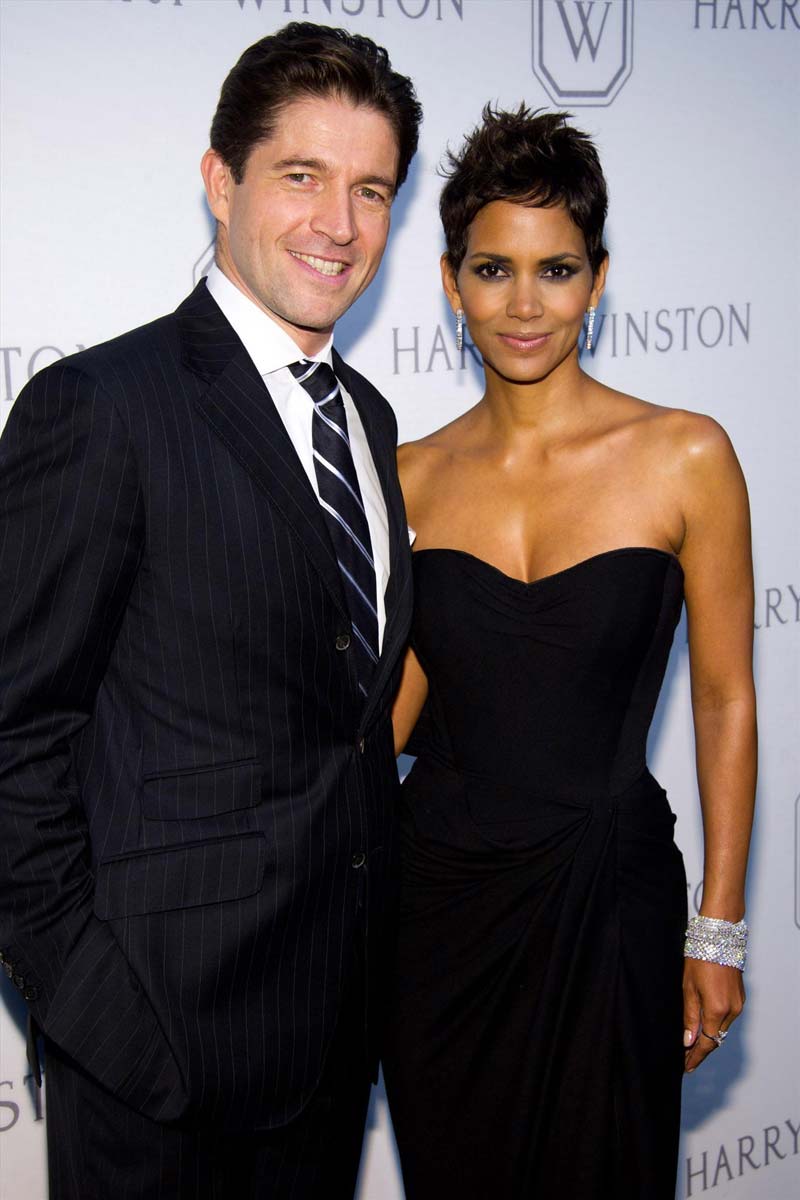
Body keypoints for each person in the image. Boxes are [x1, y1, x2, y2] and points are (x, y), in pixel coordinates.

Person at [0, 22, 421, 1200]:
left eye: (371, 189)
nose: (338, 223)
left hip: (331, 1045)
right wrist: (98, 1014)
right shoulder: (102, 407)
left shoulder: (369, 420)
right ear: (220, 181)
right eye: (301, 175)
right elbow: (14, 733)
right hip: (159, 1058)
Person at [383, 106, 756, 1199]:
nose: (523, 304)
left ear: (597, 281)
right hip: (438, 915)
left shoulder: (685, 455)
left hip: (609, 899)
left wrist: (718, 932)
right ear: (450, 283)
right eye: (492, 269)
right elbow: (385, 722)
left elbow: (725, 699)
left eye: (555, 270)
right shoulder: (405, 476)